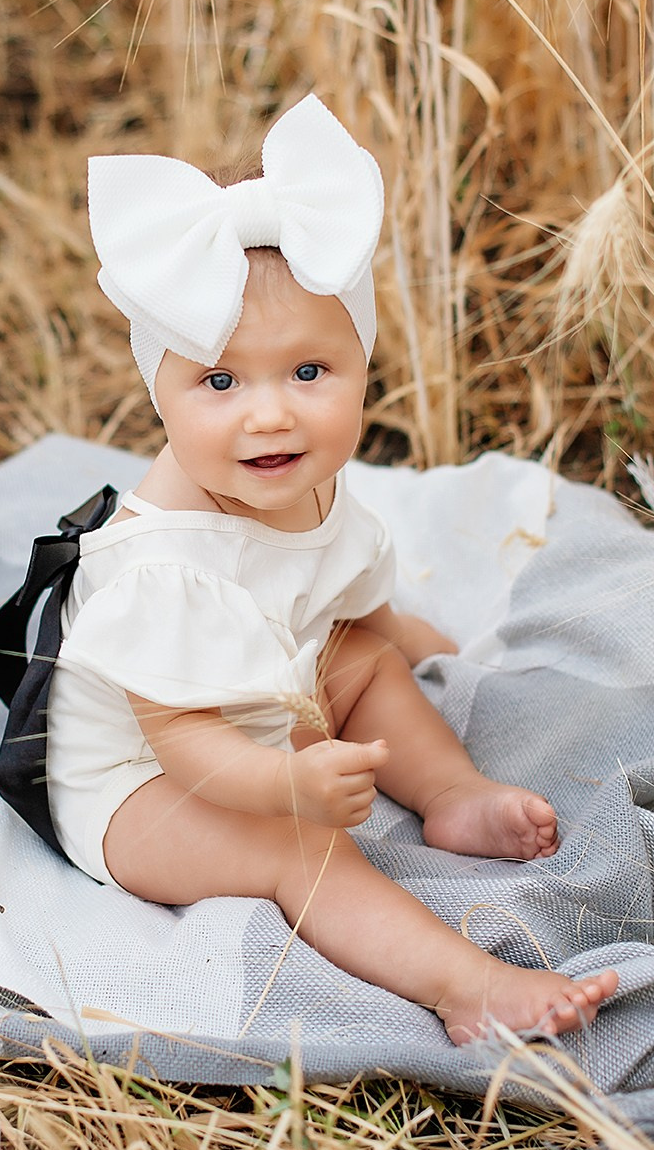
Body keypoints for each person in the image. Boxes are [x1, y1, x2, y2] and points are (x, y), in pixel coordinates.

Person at [36, 95, 617, 1043]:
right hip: (143, 784)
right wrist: (286, 789)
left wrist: (403, 643)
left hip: (260, 713)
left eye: (309, 373)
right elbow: (182, 737)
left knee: (367, 658)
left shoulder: (298, 482)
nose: (271, 415)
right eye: (220, 383)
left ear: (361, 364)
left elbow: (337, 601)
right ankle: (465, 986)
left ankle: (450, 795)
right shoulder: (160, 561)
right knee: (301, 848)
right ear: (162, 395)